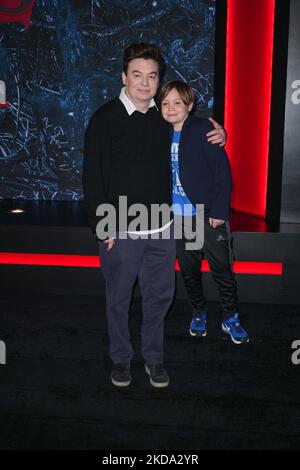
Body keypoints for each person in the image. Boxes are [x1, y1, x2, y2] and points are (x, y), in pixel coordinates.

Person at [82, 44, 226, 389]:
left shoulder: (165, 118)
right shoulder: (105, 119)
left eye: (152, 76)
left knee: (159, 297)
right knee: (118, 299)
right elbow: (92, 179)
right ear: (124, 77)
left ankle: (154, 359)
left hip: (162, 227)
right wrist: (103, 229)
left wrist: (217, 134)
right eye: (137, 75)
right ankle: (120, 359)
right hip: (121, 227)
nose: (145, 83)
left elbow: (193, 129)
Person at [160, 80, 249, 344]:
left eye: (177, 102)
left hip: (208, 214)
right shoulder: (158, 133)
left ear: (189, 105)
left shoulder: (203, 129)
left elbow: (223, 174)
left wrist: (219, 211)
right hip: (180, 217)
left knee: (222, 269)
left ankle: (230, 316)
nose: (171, 108)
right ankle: (198, 312)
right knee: (189, 270)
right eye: (165, 103)